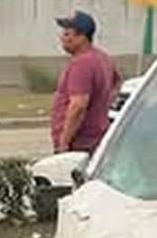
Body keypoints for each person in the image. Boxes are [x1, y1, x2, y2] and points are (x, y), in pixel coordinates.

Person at [50, 10, 122, 154]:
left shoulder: (81, 64)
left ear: (82, 36)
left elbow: (78, 105)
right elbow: (117, 83)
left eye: (67, 34)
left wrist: (64, 142)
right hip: (97, 139)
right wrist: (101, 106)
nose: (62, 38)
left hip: (80, 144)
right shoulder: (102, 58)